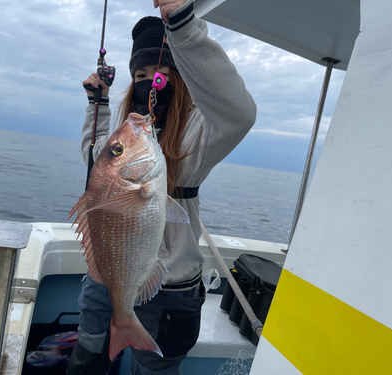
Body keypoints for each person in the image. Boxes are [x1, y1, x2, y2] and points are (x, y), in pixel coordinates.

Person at [67, 1, 256, 374]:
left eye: (161, 72)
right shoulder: (134, 128)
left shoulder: (199, 131)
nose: (149, 80)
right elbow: (99, 161)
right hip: (107, 274)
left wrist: (183, 27)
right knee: (86, 356)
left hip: (168, 289)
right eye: (141, 73)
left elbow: (240, 113)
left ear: (181, 75)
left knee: (153, 370)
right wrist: (98, 104)